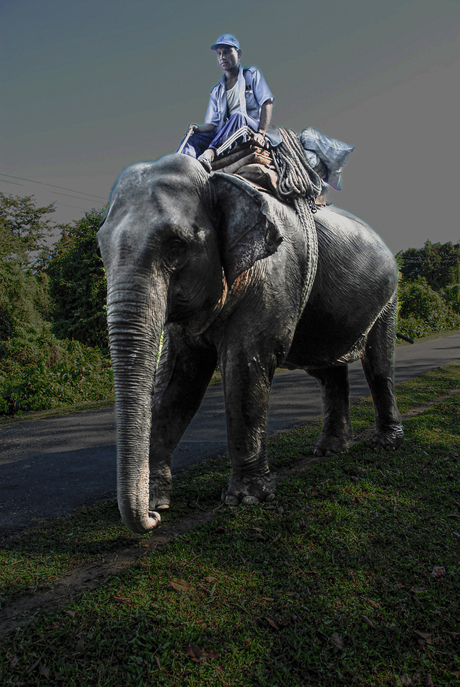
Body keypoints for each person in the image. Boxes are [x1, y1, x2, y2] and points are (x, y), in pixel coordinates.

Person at [177, 33, 278, 168]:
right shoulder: (216, 91)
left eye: (227, 52)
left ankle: (211, 153)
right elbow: (212, 125)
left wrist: (261, 132)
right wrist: (198, 129)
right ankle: (182, 168)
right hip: (224, 132)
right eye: (219, 54)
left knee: (238, 117)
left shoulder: (252, 74)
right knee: (192, 139)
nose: (222, 57)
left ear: (238, 53)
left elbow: (267, 102)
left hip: (248, 126)